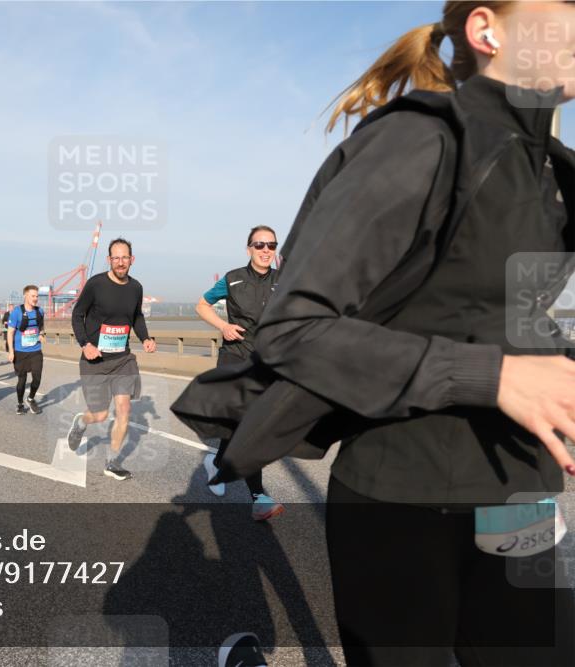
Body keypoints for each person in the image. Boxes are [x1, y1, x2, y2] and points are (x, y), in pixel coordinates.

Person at [189, 2, 575, 664]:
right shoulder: (419, 141)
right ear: (489, 30)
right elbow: (293, 327)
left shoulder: (557, 174)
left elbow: (527, 325)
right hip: (402, 493)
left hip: (522, 492)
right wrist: (495, 376)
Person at [196, 227, 283, 521]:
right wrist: (223, 326)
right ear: (249, 248)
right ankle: (258, 496)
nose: (265, 249)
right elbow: (202, 305)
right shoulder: (232, 278)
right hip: (233, 358)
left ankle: (217, 462)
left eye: (271, 245)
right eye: (260, 244)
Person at [67, 238, 157, 480]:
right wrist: (85, 344)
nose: (120, 262)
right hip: (94, 360)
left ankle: (112, 462)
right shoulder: (96, 284)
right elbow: (77, 315)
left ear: (132, 259)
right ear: (109, 260)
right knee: (100, 415)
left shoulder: (135, 287)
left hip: (123, 359)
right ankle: (81, 422)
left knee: (124, 408)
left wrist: (146, 337)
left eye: (124, 257)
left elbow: (136, 316)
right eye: (116, 258)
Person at [7, 285, 46, 415]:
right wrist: (11, 351)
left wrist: (41, 334)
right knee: (22, 380)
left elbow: (41, 326)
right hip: (20, 351)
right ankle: (20, 403)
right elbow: (10, 333)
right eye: (33, 296)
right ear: (26, 296)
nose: (35, 299)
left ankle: (30, 398)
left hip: (35, 350)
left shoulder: (40, 311)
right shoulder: (17, 312)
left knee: (37, 377)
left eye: (37, 296)